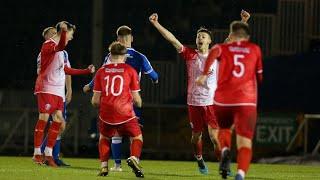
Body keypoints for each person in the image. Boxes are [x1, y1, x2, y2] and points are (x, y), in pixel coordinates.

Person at [149, 11, 250, 175]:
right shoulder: (190, 54)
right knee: (196, 137)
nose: (200, 38)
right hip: (194, 103)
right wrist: (156, 24)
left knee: (215, 138)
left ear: (209, 40)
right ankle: (199, 159)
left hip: (211, 103)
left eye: (203, 36)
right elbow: (172, 39)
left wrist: (243, 20)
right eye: (198, 36)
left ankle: (223, 166)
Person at [84, 25, 158, 171]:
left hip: (110, 102)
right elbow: (154, 75)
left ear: (117, 39)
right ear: (132, 38)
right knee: (135, 135)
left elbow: (101, 73)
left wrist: (89, 85)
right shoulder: (139, 57)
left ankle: (116, 165)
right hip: (130, 101)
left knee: (114, 135)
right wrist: (155, 80)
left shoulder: (109, 57)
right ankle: (134, 159)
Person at [196, 21, 263, 180]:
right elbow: (259, 77)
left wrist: (204, 74)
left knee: (224, 130)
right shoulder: (255, 49)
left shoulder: (221, 48)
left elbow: (212, 54)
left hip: (223, 101)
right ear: (247, 37)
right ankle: (240, 174)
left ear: (231, 35)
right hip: (246, 102)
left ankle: (225, 150)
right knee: (244, 142)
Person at [33, 21, 95, 167]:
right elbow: (60, 45)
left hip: (57, 90)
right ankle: (37, 153)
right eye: (70, 34)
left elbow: (67, 70)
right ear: (62, 32)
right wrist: (64, 31)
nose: (71, 37)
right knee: (44, 117)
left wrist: (86, 71)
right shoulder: (48, 45)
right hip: (46, 87)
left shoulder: (61, 51)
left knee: (59, 121)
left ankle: (48, 154)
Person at [92, 41, 144, 177]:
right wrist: (139, 104)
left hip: (106, 113)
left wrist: (104, 105)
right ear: (125, 55)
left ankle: (104, 166)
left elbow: (95, 101)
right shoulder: (130, 71)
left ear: (110, 55)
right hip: (125, 112)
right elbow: (137, 100)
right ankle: (133, 158)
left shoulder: (101, 71)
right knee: (137, 136)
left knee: (104, 137)